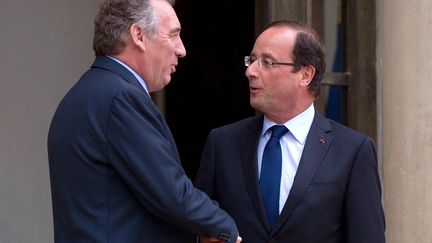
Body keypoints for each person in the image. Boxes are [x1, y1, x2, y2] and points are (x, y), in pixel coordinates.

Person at [47, 0, 241, 242]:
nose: (182, 49)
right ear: (138, 35)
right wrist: (226, 229)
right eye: (173, 35)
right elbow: (171, 193)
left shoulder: (85, 94)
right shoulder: (121, 98)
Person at [195, 20, 386, 243]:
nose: (250, 71)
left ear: (305, 75)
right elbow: (198, 226)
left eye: (267, 62)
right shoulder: (222, 143)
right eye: (252, 60)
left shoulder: (352, 151)